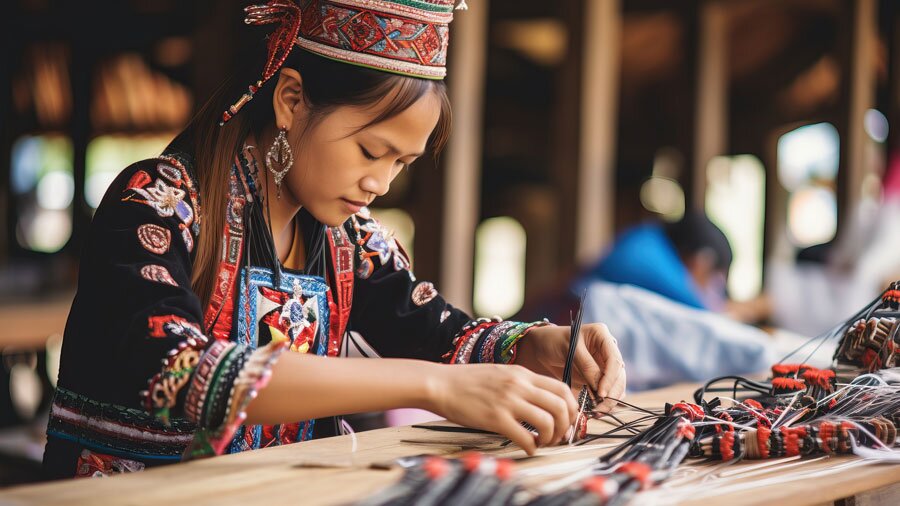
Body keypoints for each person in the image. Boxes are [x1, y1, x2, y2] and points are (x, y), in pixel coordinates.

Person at [42, 0, 625, 479]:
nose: (381, 182)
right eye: (371, 151)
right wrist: (438, 386)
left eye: (402, 162)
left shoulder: (352, 241)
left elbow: (437, 334)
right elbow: (175, 368)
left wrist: (533, 345)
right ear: (291, 100)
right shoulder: (159, 201)